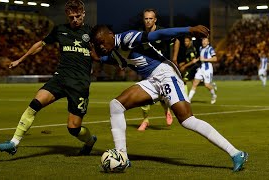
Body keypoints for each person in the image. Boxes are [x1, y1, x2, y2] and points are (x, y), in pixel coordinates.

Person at [90, 24, 248, 172]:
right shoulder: (113, 52)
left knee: (187, 120)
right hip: (152, 81)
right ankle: (122, 156)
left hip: (166, 74)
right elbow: (106, 59)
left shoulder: (126, 38)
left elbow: (158, 34)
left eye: (101, 42)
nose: (101, 46)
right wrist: (92, 55)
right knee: (116, 105)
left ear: (110, 35)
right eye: (98, 44)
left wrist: (189, 30)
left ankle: (236, 153)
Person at [0, 0, 97, 156]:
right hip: (60, 78)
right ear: (66, 16)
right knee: (34, 104)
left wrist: (96, 53)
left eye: (77, 16)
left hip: (79, 84)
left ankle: (90, 141)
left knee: (73, 128)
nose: (74, 20)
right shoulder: (60, 30)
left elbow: (100, 54)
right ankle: (14, 143)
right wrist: (20, 59)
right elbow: (40, 44)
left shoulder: (91, 33)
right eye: (71, 17)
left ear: (83, 14)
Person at [136, 8, 173, 131]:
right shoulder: (140, 34)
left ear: (155, 19)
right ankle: (145, 120)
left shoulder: (162, 32)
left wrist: (175, 59)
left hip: (162, 69)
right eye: (146, 18)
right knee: (143, 97)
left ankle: (167, 110)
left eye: (150, 18)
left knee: (163, 96)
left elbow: (176, 40)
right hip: (146, 69)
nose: (148, 21)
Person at [188, 37, 218, 104]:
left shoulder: (210, 49)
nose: (204, 42)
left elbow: (215, 58)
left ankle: (214, 95)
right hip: (201, 69)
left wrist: (205, 59)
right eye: (203, 41)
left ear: (208, 42)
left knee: (207, 85)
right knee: (194, 83)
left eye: (205, 41)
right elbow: (200, 57)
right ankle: (188, 99)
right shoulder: (201, 48)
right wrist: (197, 59)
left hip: (208, 70)